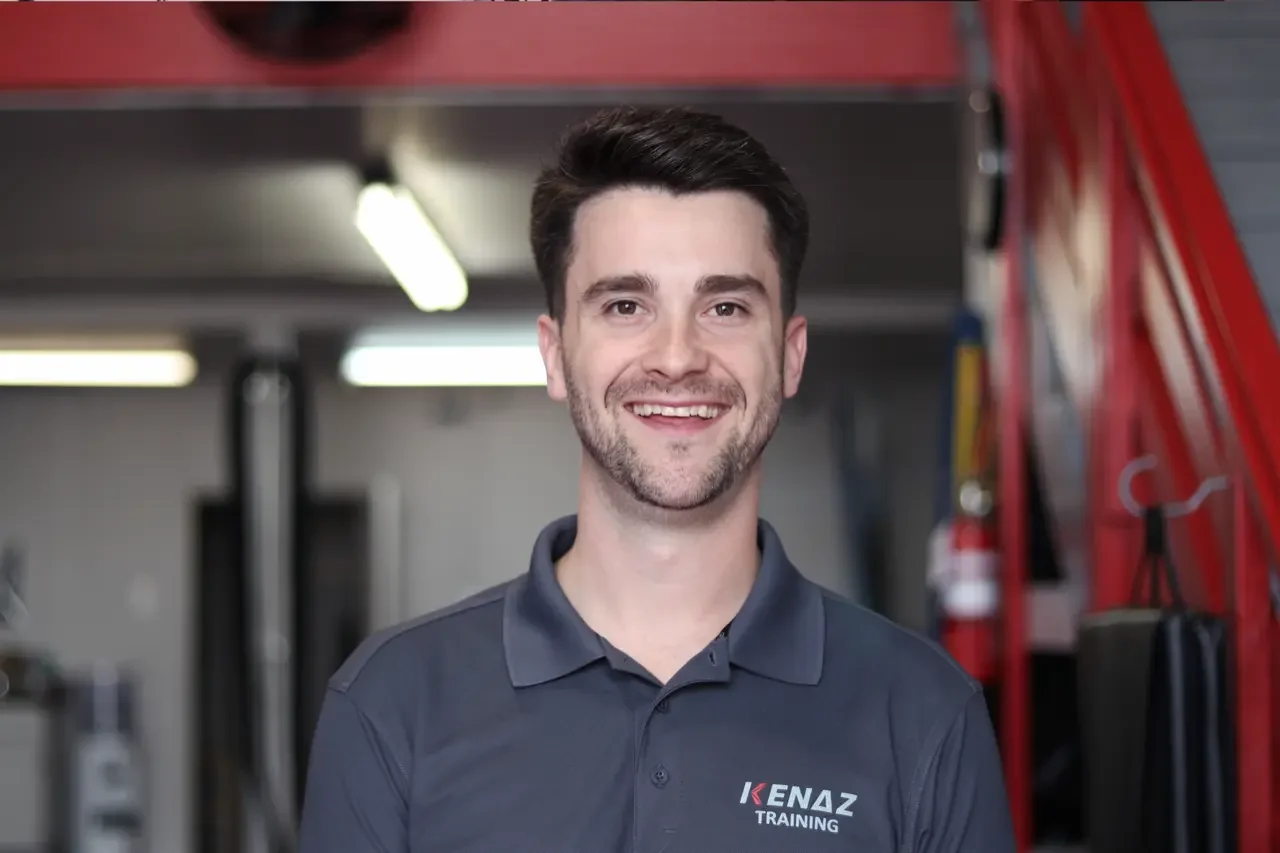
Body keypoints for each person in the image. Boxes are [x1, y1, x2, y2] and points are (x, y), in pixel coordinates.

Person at [298, 106, 1016, 853]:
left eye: (727, 306)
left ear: (791, 354)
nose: (678, 356)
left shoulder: (924, 710)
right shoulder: (392, 704)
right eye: (626, 305)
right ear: (554, 353)